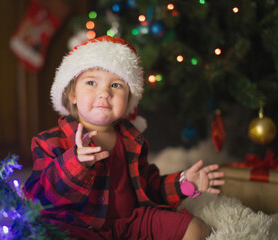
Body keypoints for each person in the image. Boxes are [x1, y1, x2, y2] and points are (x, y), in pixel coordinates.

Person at [23, 35, 225, 240]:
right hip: (77, 226)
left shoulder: (133, 140)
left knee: (195, 227)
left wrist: (184, 183)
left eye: (116, 85)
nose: (104, 93)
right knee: (44, 234)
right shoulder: (50, 141)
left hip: (131, 223)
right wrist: (75, 162)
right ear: (72, 94)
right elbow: (39, 197)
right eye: (91, 82)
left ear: (129, 98)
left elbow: (150, 187)